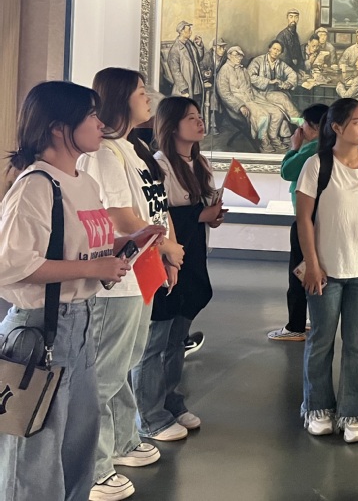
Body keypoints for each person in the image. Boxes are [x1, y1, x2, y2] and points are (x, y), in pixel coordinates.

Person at [0, 81, 162, 501]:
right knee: (34, 450)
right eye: (90, 116)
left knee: (78, 443)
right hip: (41, 330)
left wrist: (125, 245)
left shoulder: (83, 183)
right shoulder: (36, 185)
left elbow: (81, 248)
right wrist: (93, 268)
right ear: (59, 128)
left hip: (81, 323)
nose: (100, 123)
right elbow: (11, 264)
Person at [80, 69, 185, 501]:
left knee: (125, 363)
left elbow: (153, 209)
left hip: (140, 270)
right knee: (104, 374)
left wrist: (164, 254)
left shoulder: (132, 149)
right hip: (118, 278)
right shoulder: (105, 153)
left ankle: (123, 441)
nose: (148, 99)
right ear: (121, 98)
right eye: (142, 92)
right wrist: (166, 247)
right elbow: (122, 219)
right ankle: (93, 467)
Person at [133, 97, 225, 444]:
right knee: (155, 341)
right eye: (191, 118)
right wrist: (199, 215)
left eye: (200, 117)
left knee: (175, 341)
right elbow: (161, 215)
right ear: (172, 126)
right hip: (166, 259)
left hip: (192, 259)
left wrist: (210, 216)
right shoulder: (160, 164)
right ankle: (149, 413)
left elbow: (196, 212)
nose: (200, 123)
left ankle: (171, 402)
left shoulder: (199, 163)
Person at [297, 99, 358, 442]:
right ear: (336, 127)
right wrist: (313, 264)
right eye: (356, 122)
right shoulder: (317, 165)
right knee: (321, 339)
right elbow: (304, 219)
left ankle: (351, 412)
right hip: (326, 269)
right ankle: (317, 406)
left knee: (356, 344)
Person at [268, 103, 328, 342]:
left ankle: (295, 326)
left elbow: (287, 171)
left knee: (299, 274)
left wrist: (294, 147)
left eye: (304, 124)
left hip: (306, 222)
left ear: (314, 127)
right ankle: (316, 318)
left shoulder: (312, 149)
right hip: (325, 221)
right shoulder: (334, 149)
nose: (301, 129)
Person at [216, 46, 294, 153]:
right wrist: (240, 106)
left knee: (277, 112)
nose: (239, 58)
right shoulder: (224, 71)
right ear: (229, 56)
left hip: (252, 98)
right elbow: (225, 94)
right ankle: (264, 141)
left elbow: (250, 88)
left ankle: (273, 137)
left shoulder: (243, 70)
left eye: (240, 56)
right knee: (263, 115)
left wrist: (262, 98)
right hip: (238, 104)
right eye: (236, 55)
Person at [166, 21, 204, 100]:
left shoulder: (190, 44)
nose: (191, 32)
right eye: (189, 29)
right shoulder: (175, 49)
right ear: (182, 31)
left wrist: (199, 45)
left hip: (196, 85)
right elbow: (175, 72)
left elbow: (199, 58)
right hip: (185, 88)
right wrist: (183, 88)